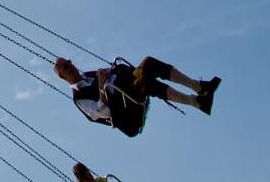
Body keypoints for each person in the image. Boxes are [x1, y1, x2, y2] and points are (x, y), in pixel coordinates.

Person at [54, 57, 218, 137]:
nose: (71, 66)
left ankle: (197, 97)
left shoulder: (89, 75)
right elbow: (103, 112)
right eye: (66, 67)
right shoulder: (79, 98)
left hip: (128, 93)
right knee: (145, 70)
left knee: (149, 68)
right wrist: (103, 85)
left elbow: (111, 77)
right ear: (62, 76)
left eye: (69, 62)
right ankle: (198, 95)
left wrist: (109, 72)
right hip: (125, 113)